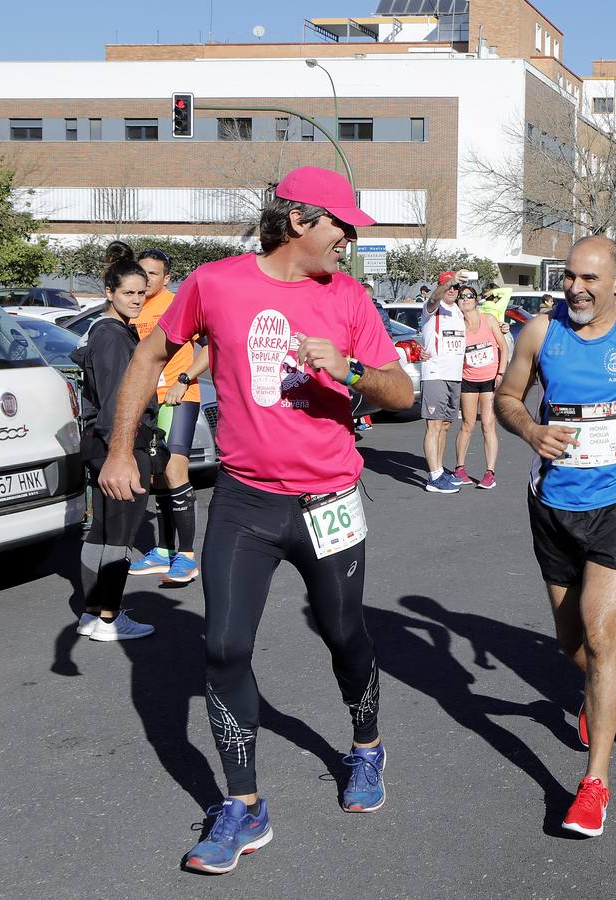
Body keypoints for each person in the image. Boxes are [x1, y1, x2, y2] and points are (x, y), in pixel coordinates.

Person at [97, 166, 414, 872]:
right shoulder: (215, 284)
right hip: (244, 502)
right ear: (300, 222)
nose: (348, 238)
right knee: (223, 648)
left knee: (344, 634)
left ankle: (366, 748)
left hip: (329, 502)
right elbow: (152, 353)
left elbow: (401, 390)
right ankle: (243, 806)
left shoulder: (352, 298)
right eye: (341, 225)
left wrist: (352, 371)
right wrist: (123, 448)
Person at [495, 235, 616, 838]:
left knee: (601, 632)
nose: (575, 289)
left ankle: (594, 782)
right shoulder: (539, 332)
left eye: (588, 279)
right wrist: (531, 430)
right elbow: (507, 397)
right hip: (551, 504)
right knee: (570, 641)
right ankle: (596, 695)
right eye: (569, 278)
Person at [73, 252, 164, 642]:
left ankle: (93, 614)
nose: (137, 299)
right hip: (119, 444)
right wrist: (120, 453)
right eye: (128, 292)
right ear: (109, 292)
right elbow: (114, 398)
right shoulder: (111, 335)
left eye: (142, 292)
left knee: (103, 531)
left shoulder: (111, 331)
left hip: (106, 441)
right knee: (119, 536)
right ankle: (108, 618)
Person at [127, 247, 207, 585]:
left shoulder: (179, 303)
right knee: (157, 475)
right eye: (142, 274)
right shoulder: (132, 306)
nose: (147, 282)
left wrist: (185, 379)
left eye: (154, 275)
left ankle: (186, 557)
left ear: (167, 278)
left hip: (178, 397)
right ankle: (162, 551)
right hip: (147, 403)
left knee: (175, 470)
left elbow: (213, 346)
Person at [453, 283, 507, 489]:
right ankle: (460, 468)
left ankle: (490, 472)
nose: (465, 299)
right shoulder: (457, 325)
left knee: (488, 424)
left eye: (469, 296)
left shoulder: (489, 320)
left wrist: (501, 373)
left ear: (476, 300)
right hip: (468, 379)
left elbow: (504, 347)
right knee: (467, 424)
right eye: (461, 296)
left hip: (490, 379)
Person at [418, 272, 468, 492]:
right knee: (434, 425)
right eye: (448, 286)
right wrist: (449, 281)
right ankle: (434, 477)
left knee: (446, 426)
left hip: (454, 375)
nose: (452, 290)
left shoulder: (458, 311)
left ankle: (439, 469)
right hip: (435, 373)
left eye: (455, 288)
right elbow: (434, 297)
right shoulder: (432, 307)